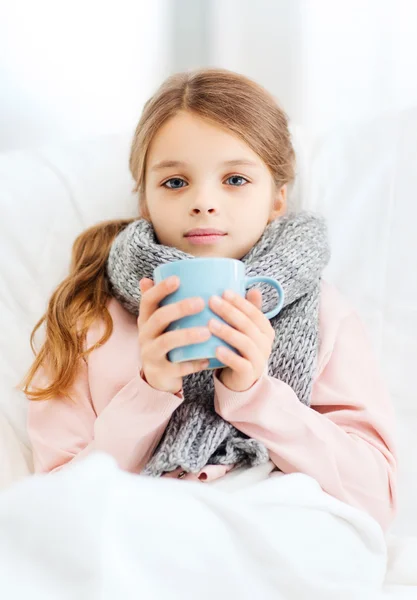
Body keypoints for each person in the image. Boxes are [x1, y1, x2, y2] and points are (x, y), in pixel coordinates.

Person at [19, 68, 397, 532]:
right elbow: (53, 509)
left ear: (278, 199)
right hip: (150, 531)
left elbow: (376, 495)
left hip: (284, 526)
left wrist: (256, 396)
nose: (203, 201)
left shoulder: (323, 313)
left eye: (235, 179)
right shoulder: (90, 316)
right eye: (175, 182)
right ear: (144, 202)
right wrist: (150, 392)